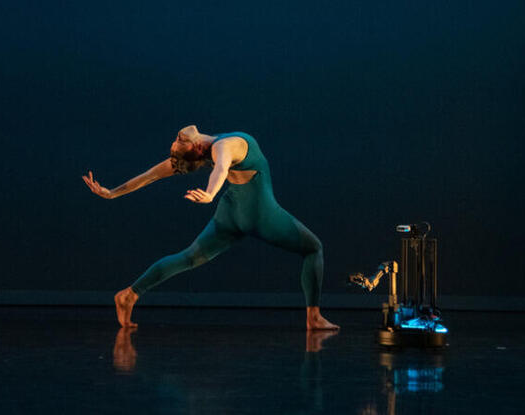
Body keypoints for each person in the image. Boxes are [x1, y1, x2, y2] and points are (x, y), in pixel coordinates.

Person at [82, 125, 339, 331]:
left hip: (231, 211)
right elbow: (220, 167)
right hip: (259, 213)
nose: (178, 135)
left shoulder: (211, 148)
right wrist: (209, 193)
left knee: (189, 257)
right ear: (195, 146)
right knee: (314, 248)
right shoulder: (224, 146)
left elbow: (151, 174)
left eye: (176, 140)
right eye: (179, 140)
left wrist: (113, 193)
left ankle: (129, 294)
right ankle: (314, 317)